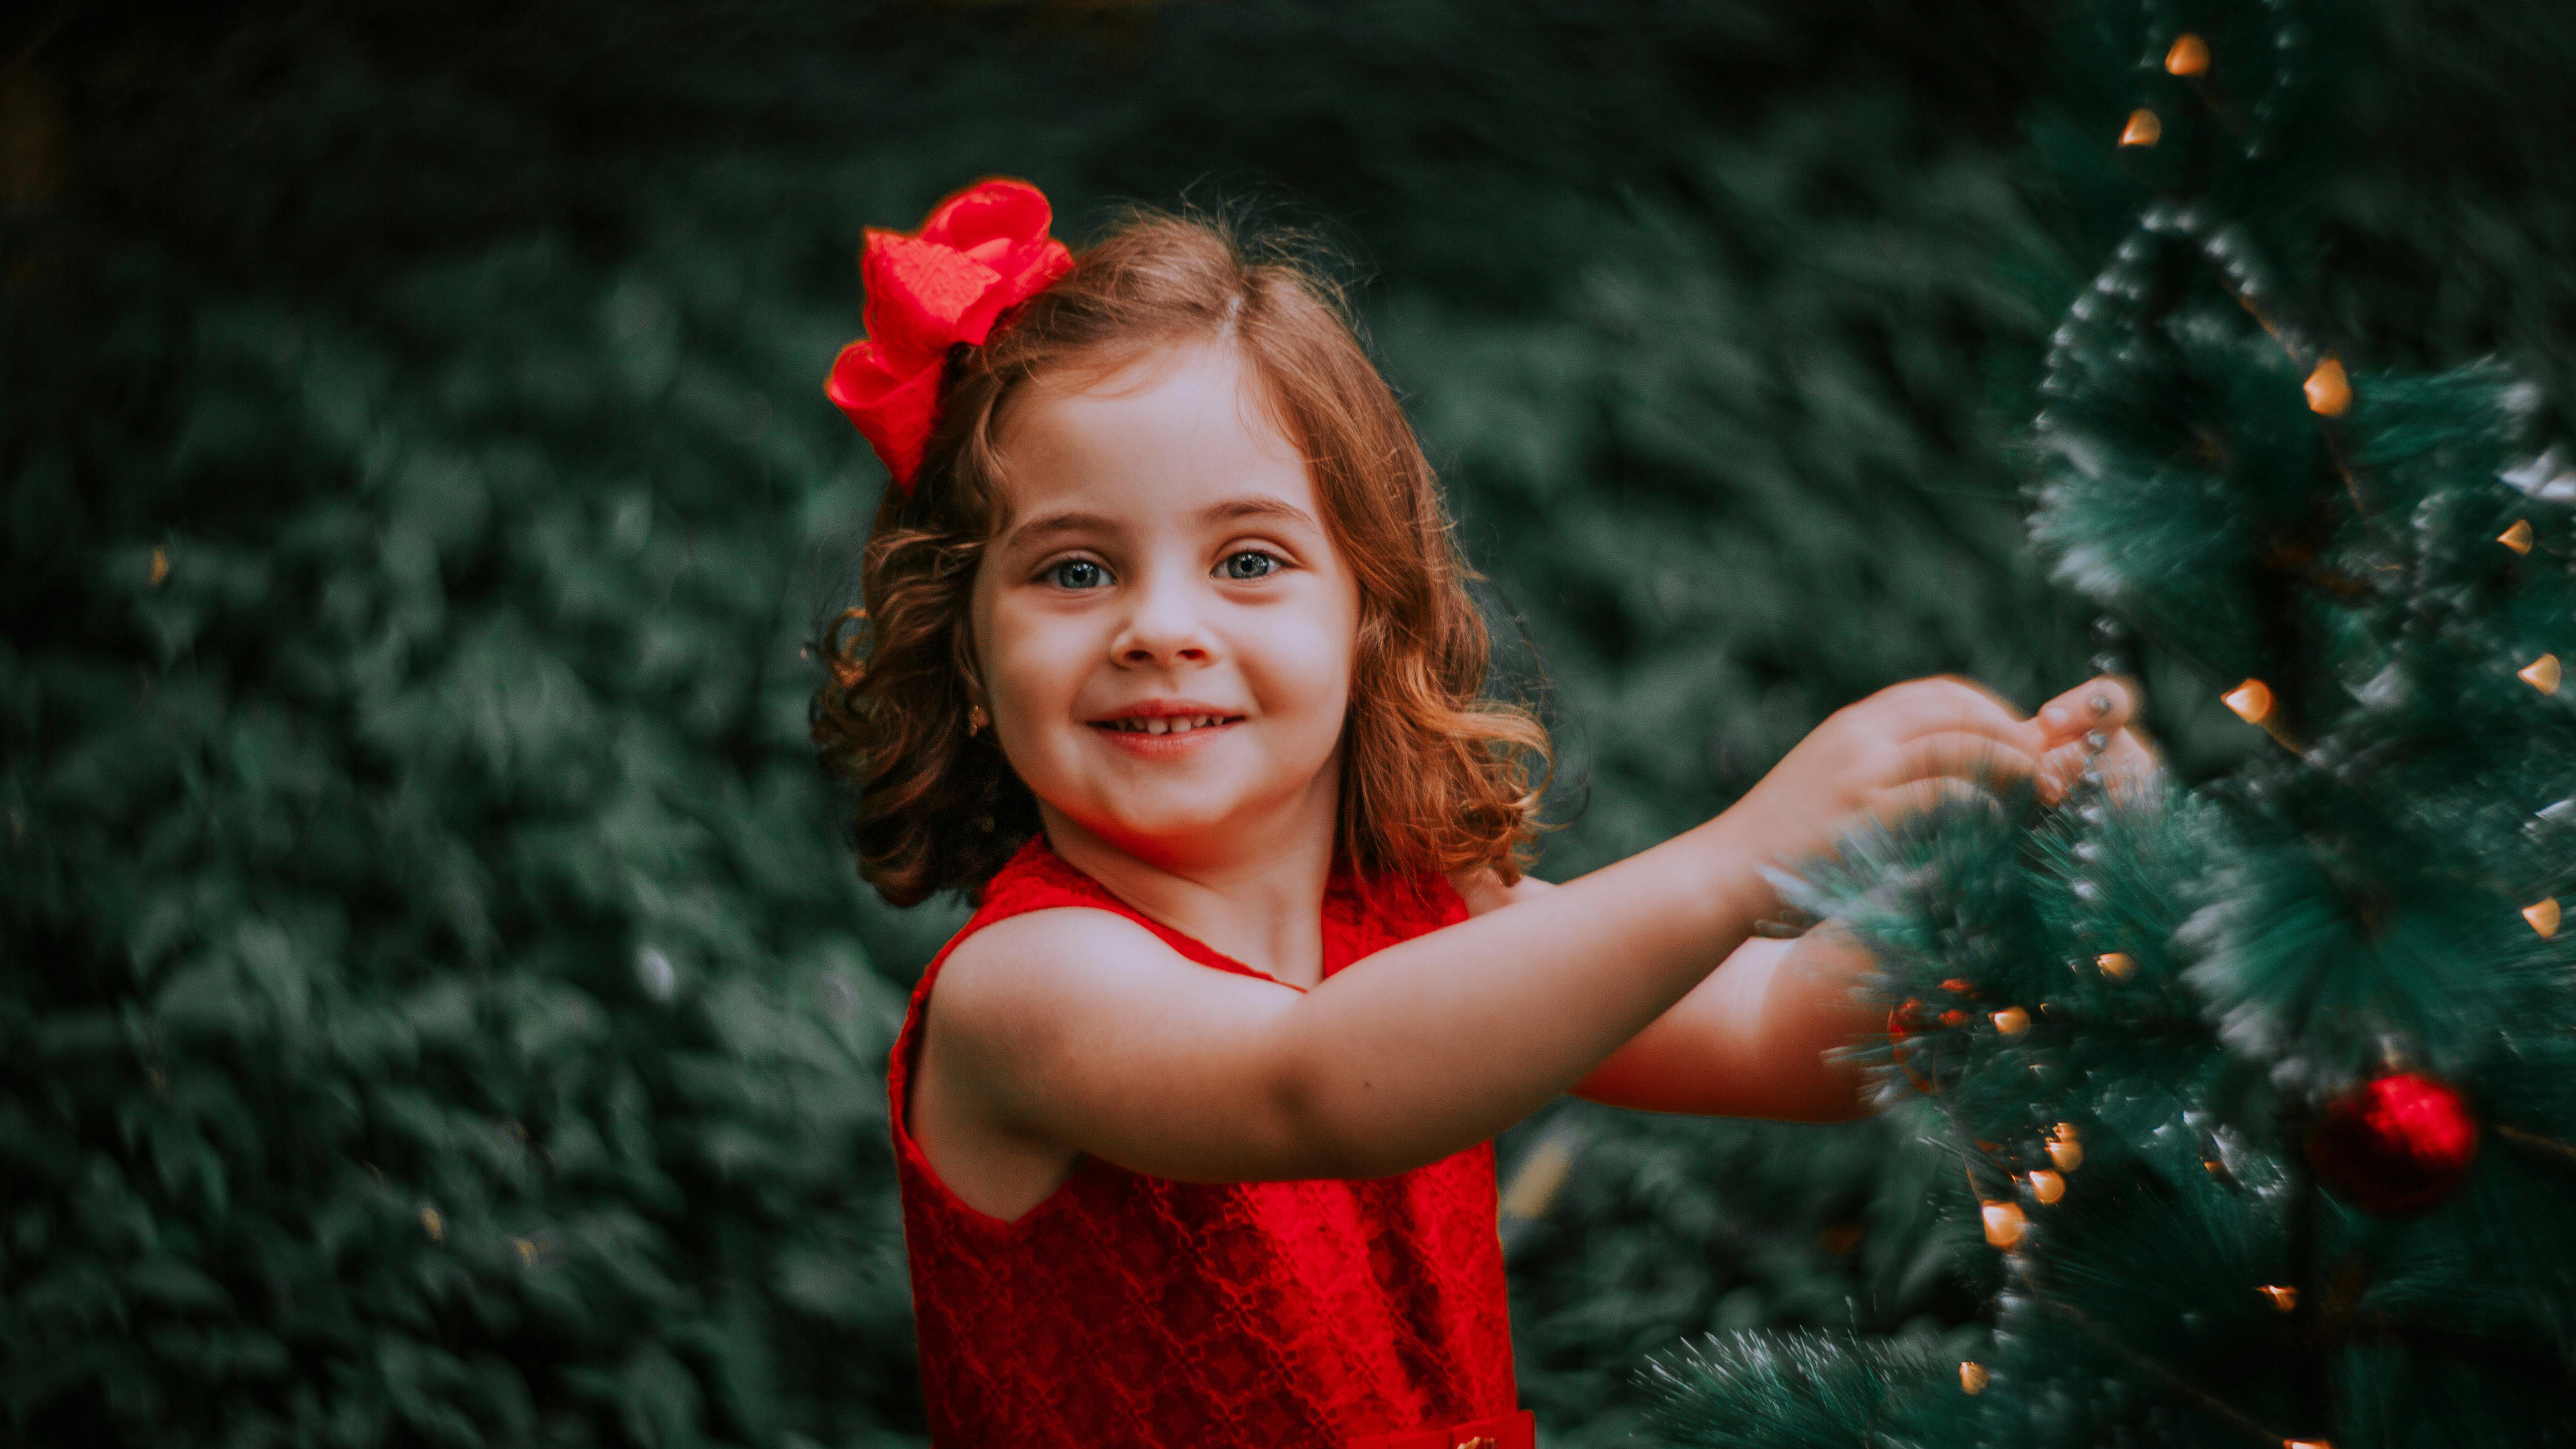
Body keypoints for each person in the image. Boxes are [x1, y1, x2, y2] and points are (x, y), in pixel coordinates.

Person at [810, 178, 2149, 1449]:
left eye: (1251, 560)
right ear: (969, 662)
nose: (1162, 627)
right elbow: (1316, 1084)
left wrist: (2028, 880)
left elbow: (1782, 1028)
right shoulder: (1025, 988)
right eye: (1076, 568)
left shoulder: (1417, 906)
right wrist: (1739, 856)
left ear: (1367, 617)